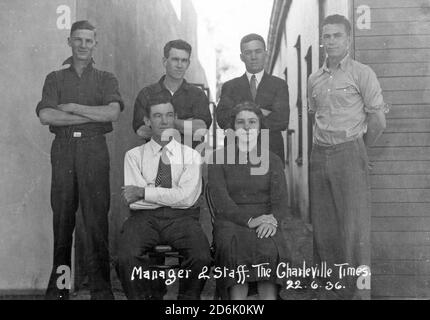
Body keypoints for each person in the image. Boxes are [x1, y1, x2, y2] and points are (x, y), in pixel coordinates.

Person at [36, 20, 124, 300]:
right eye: (78, 40)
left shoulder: (106, 78)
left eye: (89, 40)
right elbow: (45, 116)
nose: (83, 45)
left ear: (95, 44)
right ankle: (59, 290)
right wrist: (90, 115)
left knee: (96, 222)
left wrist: (73, 107)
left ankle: (101, 291)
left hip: (94, 150)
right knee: (62, 222)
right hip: (63, 150)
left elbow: (112, 113)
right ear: (69, 42)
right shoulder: (55, 78)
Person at [307, 15, 387, 300]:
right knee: (324, 227)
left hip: (349, 152)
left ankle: (361, 292)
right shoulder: (313, 78)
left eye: (336, 36)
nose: (330, 41)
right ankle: (330, 288)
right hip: (320, 156)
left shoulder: (361, 73)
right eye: (326, 36)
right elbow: (315, 116)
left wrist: (361, 150)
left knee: (355, 227)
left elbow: (378, 120)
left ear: (349, 39)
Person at [117, 93, 212, 300]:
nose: (164, 121)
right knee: (125, 256)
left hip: (182, 219)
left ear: (174, 118)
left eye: (169, 115)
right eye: (158, 116)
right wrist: (169, 195)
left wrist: (144, 191)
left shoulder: (191, 155)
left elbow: (187, 199)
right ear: (147, 121)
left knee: (202, 256)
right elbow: (134, 202)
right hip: (143, 220)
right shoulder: (133, 156)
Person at [208, 102, 290, 300]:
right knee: (233, 252)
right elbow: (221, 201)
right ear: (233, 128)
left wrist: (271, 219)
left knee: (269, 251)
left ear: (260, 127)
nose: (246, 127)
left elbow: (281, 201)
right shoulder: (218, 158)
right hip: (231, 221)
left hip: (265, 220)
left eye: (252, 122)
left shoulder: (273, 159)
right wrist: (249, 221)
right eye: (240, 122)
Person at [216, 34, 289, 162]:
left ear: (265, 53)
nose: (254, 57)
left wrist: (240, 117)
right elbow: (222, 120)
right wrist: (262, 113)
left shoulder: (279, 85)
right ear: (241, 57)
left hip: (270, 153)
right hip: (237, 155)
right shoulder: (230, 86)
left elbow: (282, 120)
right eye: (248, 52)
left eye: (258, 51)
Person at [133, 39, 212, 149]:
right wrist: (185, 125)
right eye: (175, 59)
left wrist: (159, 122)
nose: (180, 65)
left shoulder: (197, 95)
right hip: (156, 158)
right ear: (165, 61)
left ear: (188, 64)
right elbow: (141, 130)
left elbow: (201, 128)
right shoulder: (147, 94)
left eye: (184, 60)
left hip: (189, 159)